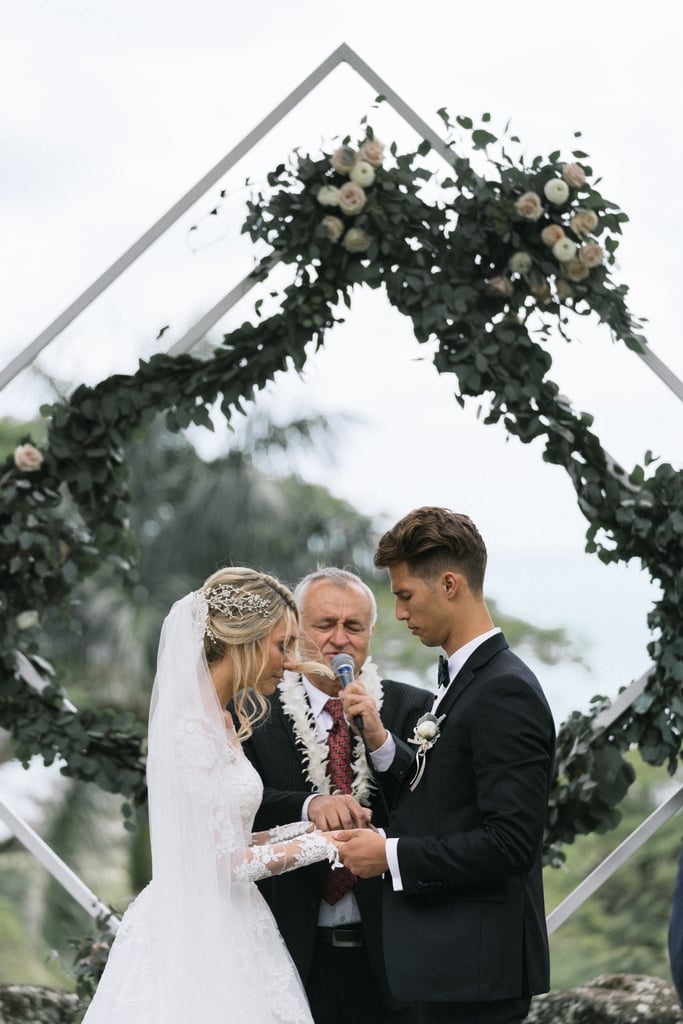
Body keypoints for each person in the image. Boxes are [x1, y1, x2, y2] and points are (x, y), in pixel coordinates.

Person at [81, 566, 343, 1024]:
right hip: (196, 931)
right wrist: (327, 846)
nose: (288, 660)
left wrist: (306, 827)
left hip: (233, 919)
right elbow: (223, 863)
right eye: (281, 645)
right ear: (247, 639)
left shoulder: (220, 720)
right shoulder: (191, 729)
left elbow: (228, 840)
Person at [336, 508, 556, 1024]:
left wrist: (388, 856)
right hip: (448, 968)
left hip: (475, 975)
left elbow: (510, 843)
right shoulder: (465, 679)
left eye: (405, 594)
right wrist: (383, 743)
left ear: (450, 584)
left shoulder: (505, 690)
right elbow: (445, 797)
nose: (397, 613)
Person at [240, 567, 431, 1024]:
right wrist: (309, 806)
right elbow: (238, 804)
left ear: (370, 634)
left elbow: (427, 808)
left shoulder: (414, 708)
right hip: (288, 952)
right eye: (325, 625)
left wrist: (382, 740)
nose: (340, 640)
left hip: (388, 957)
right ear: (296, 631)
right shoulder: (252, 706)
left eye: (354, 627)